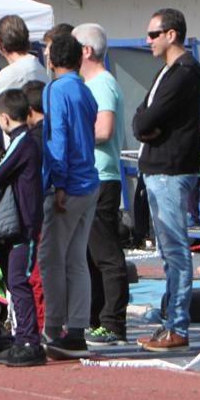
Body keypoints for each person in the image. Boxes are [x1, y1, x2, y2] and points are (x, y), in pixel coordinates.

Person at [132, 7, 200, 352]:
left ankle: (177, 325)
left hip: (170, 171)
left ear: (171, 35)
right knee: (167, 252)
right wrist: (146, 123)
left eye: (152, 34)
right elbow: (140, 117)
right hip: (158, 169)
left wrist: (147, 124)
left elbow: (148, 119)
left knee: (176, 252)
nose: (147, 41)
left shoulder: (183, 74)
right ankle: (170, 322)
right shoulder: (167, 72)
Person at [38, 32, 101, 359]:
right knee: (76, 258)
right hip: (90, 180)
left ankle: (53, 327)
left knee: (51, 258)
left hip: (69, 183)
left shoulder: (54, 90)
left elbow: (57, 137)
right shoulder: (85, 91)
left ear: (51, 60)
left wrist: (58, 184)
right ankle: (75, 329)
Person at [75, 23, 129, 347]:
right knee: (91, 253)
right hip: (90, 176)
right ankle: (97, 319)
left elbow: (105, 129)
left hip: (102, 176)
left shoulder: (103, 84)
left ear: (86, 50)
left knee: (106, 253)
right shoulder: (91, 84)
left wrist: (72, 134)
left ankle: (113, 322)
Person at [0, 88, 46, 367]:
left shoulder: (22, 142)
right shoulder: (23, 141)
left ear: (4, 118)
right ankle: (21, 335)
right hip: (20, 222)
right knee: (14, 280)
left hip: (25, 223)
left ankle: (29, 341)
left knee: (20, 281)